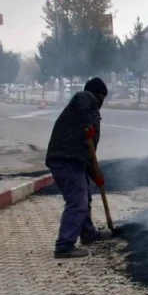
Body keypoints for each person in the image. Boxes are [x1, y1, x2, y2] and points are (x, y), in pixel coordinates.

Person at [46, 78, 111, 259]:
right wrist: (89, 123)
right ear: (99, 95)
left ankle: (88, 233)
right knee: (77, 201)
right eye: (103, 98)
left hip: (74, 159)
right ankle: (64, 245)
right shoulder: (86, 98)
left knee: (85, 197)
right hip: (65, 159)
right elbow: (81, 99)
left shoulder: (88, 110)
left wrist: (95, 174)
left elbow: (89, 152)